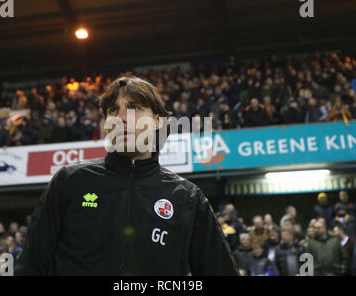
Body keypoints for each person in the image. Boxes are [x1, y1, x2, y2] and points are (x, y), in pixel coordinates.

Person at [15, 75, 239, 276]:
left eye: (134, 109)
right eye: (113, 110)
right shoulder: (69, 181)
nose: (121, 117)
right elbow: (31, 265)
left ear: (159, 122)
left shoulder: (188, 198)